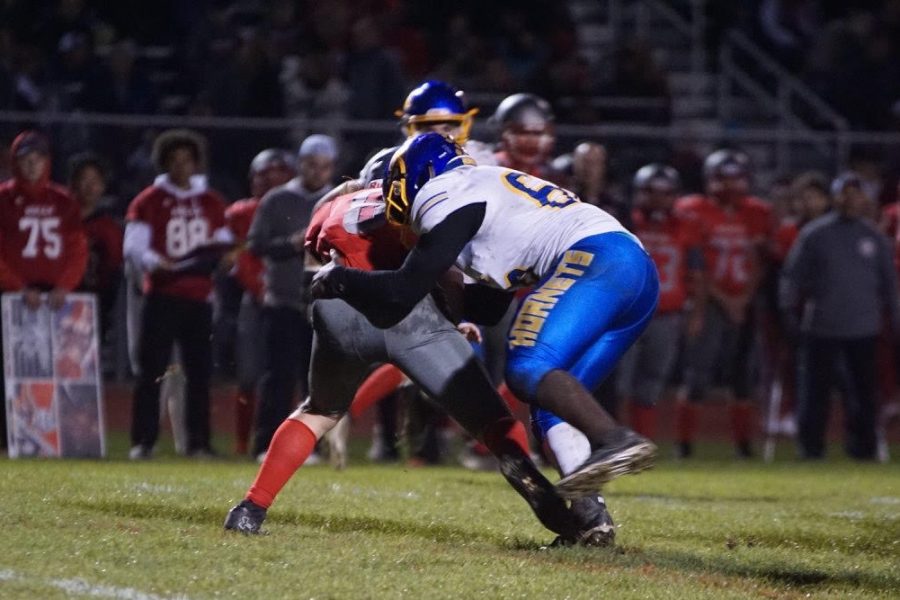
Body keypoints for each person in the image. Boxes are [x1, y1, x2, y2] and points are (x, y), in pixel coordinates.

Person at [225, 173, 611, 547]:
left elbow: (315, 268)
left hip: (337, 310)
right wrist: (453, 317)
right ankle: (561, 518)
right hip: (412, 316)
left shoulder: (333, 205)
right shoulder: (428, 199)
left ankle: (250, 508)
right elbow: (442, 275)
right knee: (495, 426)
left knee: (318, 412)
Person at [310, 133, 659, 498]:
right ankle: (592, 518)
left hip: (597, 259)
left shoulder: (445, 190)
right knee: (551, 400)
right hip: (634, 272)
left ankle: (615, 439)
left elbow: (400, 293)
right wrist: (447, 305)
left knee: (527, 366)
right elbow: (489, 308)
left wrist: (339, 279)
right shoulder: (492, 199)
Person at [123, 129, 230, 460]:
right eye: (175, 160)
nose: (182, 166)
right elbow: (134, 247)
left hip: (200, 296)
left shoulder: (211, 201)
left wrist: (224, 258)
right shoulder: (149, 200)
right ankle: (144, 441)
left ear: (196, 163)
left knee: (200, 373)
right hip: (163, 295)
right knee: (151, 370)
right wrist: (158, 261)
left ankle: (198, 442)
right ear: (164, 162)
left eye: (187, 159)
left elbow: (223, 243)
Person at [780, 173, 899, 460]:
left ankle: (863, 448)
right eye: (844, 193)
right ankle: (811, 449)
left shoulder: (874, 237)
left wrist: (895, 320)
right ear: (834, 198)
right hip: (821, 326)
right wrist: (788, 310)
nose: (850, 200)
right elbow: (792, 277)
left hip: (863, 328)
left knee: (863, 395)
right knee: (814, 394)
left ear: (865, 199)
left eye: (856, 194)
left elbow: (889, 285)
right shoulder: (815, 234)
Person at [674, 149, 773, 459]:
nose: (730, 185)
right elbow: (695, 265)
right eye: (723, 179)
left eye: (735, 178)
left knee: (743, 376)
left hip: (744, 301)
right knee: (698, 375)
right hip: (711, 301)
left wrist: (744, 297)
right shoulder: (693, 209)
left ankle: (743, 445)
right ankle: (684, 445)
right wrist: (725, 299)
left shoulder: (756, 211)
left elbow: (759, 260)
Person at [247, 134, 337, 460]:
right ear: (300, 164)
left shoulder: (336, 199)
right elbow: (256, 244)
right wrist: (291, 244)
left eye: (325, 166)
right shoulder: (277, 199)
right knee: (277, 378)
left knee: (314, 380)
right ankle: (264, 445)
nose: (317, 172)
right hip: (282, 300)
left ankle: (307, 448)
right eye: (312, 165)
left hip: (323, 304)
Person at [0, 130, 88, 449]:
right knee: (10, 369)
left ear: (47, 162)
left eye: (38, 159)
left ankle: (56, 436)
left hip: (54, 299)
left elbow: (78, 248)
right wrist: (17, 286)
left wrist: (65, 285)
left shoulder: (63, 201)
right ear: (15, 162)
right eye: (26, 159)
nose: (33, 165)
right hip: (12, 297)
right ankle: (9, 438)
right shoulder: (4, 199)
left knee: (60, 368)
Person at [616, 164, 705, 439]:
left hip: (667, 314)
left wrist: (697, 314)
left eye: (665, 193)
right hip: (625, 315)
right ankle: (610, 441)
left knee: (651, 383)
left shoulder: (686, 226)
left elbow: (697, 274)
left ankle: (641, 440)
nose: (657, 199)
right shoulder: (623, 221)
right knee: (617, 382)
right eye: (650, 192)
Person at [225, 149, 296, 456]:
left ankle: (282, 442)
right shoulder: (240, 213)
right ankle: (244, 441)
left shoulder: (296, 206)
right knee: (249, 372)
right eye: (264, 175)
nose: (269, 181)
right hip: (252, 299)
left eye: (278, 174)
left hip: (287, 299)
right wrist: (258, 287)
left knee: (286, 375)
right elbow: (235, 258)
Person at [68, 153, 123, 338]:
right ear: (73, 184)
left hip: (94, 301)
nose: (90, 186)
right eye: (84, 179)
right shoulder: (58, 220)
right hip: (57, 298)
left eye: (95, 181)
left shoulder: (109, 227)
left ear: (103, 186)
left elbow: (114, 265)